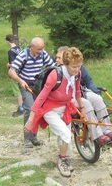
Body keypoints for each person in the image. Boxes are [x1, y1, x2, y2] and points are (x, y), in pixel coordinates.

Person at [24, 47, 85, 177]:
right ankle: (61, 160)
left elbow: (78, 91)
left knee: (64, 137)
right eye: (74, 67)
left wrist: (82, 108)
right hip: (50, 110)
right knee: (66, 134)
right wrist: (30, 120)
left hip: (65, 108)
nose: (77, 69)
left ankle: (65, 157)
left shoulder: (76, 75)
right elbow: (41, 97)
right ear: (66, 64)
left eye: (79, 66)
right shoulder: (55, 75)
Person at [55, 46, 112, 145]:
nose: (56, 60)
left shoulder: (78, 67)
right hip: (67, 98)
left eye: (59, 58)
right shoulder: (56, 71)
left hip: (81, 92)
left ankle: (107, 130)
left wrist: (96, 92)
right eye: (56, 58)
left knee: (97, 99)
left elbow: (88, 81)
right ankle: (98, 135)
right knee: (86, 104)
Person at [8, 37, 55, 149]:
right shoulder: (23, 55)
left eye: (42, 49)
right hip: (26, 85)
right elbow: (11, 71)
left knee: (37, 110)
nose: (40, 51)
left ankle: (34, 137)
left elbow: (52, 67)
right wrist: (20, 80)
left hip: (39, 86)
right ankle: (27, 139)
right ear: (31, 46)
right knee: (29, 108)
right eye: (38, 49)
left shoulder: (43, 54)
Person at [6, 34, 25, 117]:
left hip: (15, 72)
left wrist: (8, 65)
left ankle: (21, 108)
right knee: (22, 88)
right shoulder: (19, 48)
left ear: (7, 41)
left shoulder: (11, 51)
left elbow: (13, 63)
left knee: (17, 90)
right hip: (22, 71)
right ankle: (24, 104)